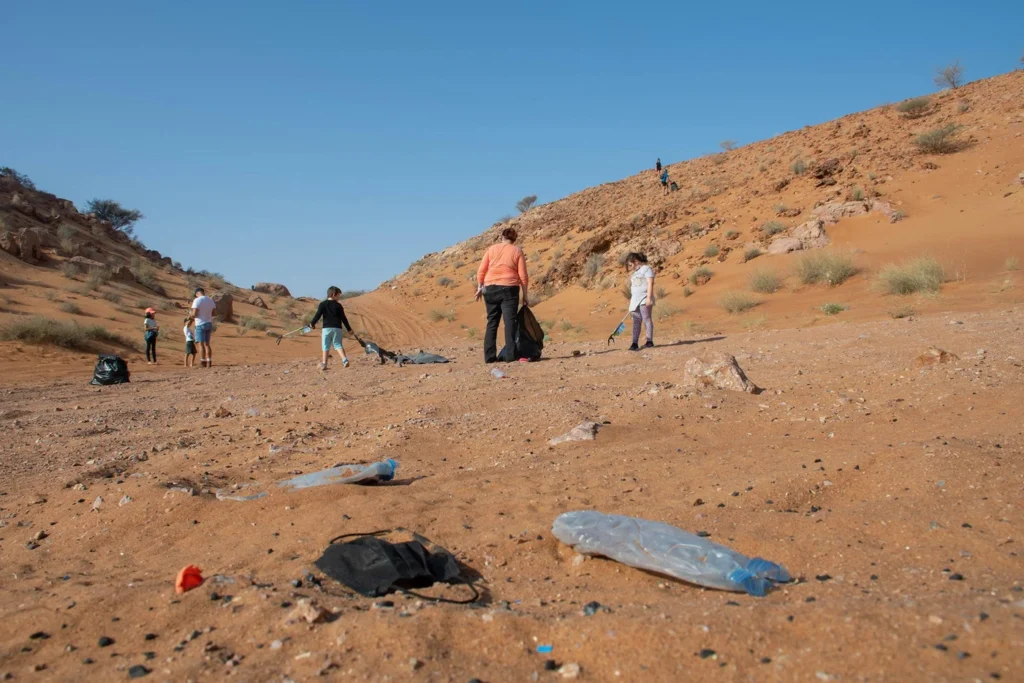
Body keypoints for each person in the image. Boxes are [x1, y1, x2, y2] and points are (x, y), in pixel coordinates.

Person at [475, 227, 529, 363]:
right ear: (515, 239)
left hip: (490, 288)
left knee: (492, 322)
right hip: (509, 288)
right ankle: (510, 356)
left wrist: (480, 287)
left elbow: (481, 271)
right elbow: (523, 276)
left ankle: (489, 357)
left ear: (502, 237)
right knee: (510, 322)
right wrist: (525, 295)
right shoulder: (517, 251)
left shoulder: (492, 249)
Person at [309, 286, 354, 370]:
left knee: (325, 346)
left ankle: (324, 363)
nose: (339, 298)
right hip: (337, 328)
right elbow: (344, 318)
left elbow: (317, 315)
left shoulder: (323, 304)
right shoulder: (339, 305)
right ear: (333, 294)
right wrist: (349, 329)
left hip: (326, 328)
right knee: (338, 345)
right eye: (338, 296)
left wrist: (312, 323)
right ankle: (344, 359)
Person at [625, 252, 655, 351]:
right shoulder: (634, 273)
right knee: (636, 321)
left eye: (631, 264)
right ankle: (634, 343)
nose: (630, 267)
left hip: (644, 298)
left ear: (636, 261)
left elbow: (650, 283)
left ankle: (649, 341)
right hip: (635, 300)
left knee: (646, 318)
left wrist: (649, 298)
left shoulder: (646, 269)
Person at [191, 287, 216, 368]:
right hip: (209, 322)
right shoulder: (210, 300)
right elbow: (214, 312)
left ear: (197, 293)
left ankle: (202, 361)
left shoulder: (197, 300)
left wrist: (190, 315)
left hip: (200, 323)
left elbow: (194, 314)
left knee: (201, 344)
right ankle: (209, 361)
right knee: (207, 344)